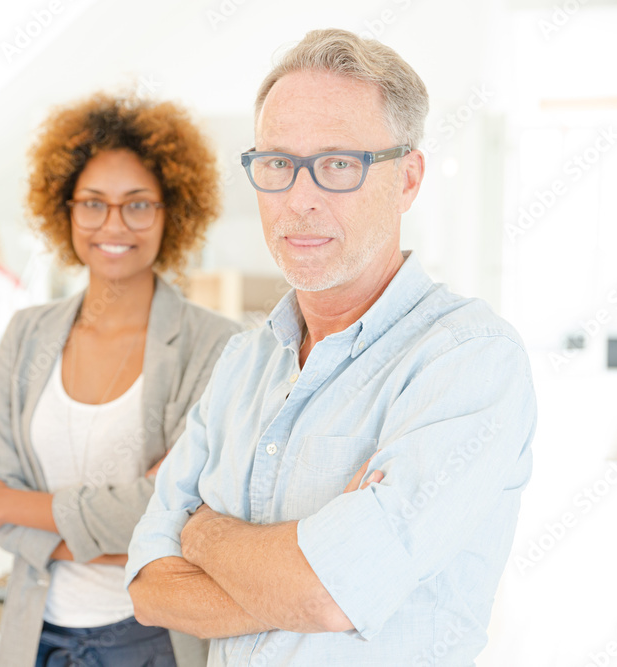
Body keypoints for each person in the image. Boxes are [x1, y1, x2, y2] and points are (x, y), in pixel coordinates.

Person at [125, 28, 538, 666]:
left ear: (408, 177)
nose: (300, 198)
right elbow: (152, 591)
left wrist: (202, 531)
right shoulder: (242, 363)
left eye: (340, 163)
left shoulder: (470, 361)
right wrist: (312, 575)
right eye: (277, 164)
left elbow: (325, 595)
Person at [0, 92, 242, 667]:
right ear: (65, 210)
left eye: (138, 205)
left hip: (153, 636)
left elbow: (172, 515)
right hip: (36, 635)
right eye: (92, 203)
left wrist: (13, 505)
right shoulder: (27, 333)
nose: (114, 225)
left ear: (171, 213)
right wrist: (122, 541)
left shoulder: (215, 346)